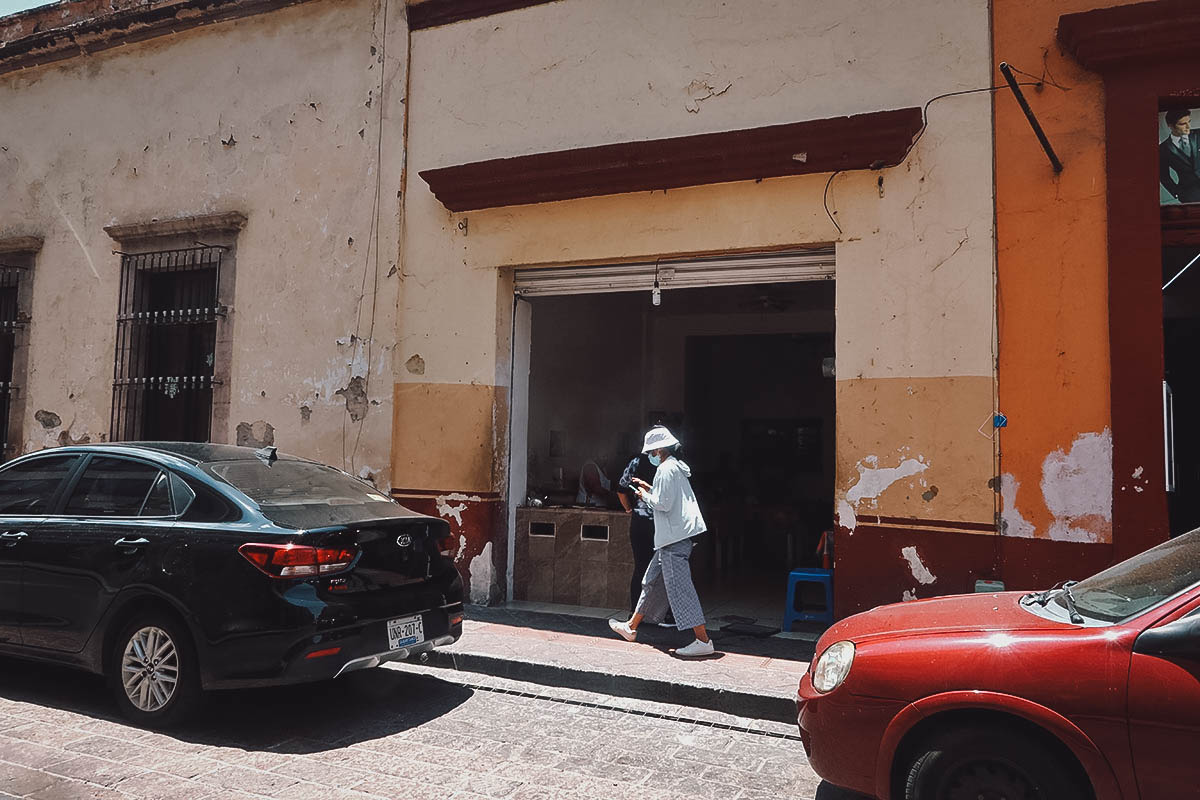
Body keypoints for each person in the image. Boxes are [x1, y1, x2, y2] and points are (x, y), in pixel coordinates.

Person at [609, 426, 714, 658]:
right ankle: (631, 627)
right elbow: (668, 498)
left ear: (658, 449)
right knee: (651, 582)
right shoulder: (675, 466)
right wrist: (651, 489)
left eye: (651, 452)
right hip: (672, 538)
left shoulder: (666, 469)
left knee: (680, 590)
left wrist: (644, 495)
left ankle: (702, 640)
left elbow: (662, 504)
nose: (650, 456)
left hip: (673, 538)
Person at [617, 449, 658, 613]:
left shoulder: (637, 462)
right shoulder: (670, 463)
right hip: (662, 524)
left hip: (640, 522)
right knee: (665, 572)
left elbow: (621, 489)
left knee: (641, 568)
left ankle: (636, 612)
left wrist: (630, 509)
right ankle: (665, 614)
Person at [1160, 108, 1200, 204]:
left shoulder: (1199, 134)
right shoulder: (1163, 149)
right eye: (1182, 124)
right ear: (1171, 126)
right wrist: (1177, 194)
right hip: (1189, 195)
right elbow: (1164, 176)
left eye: (1189, 122)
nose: (1188, 126)